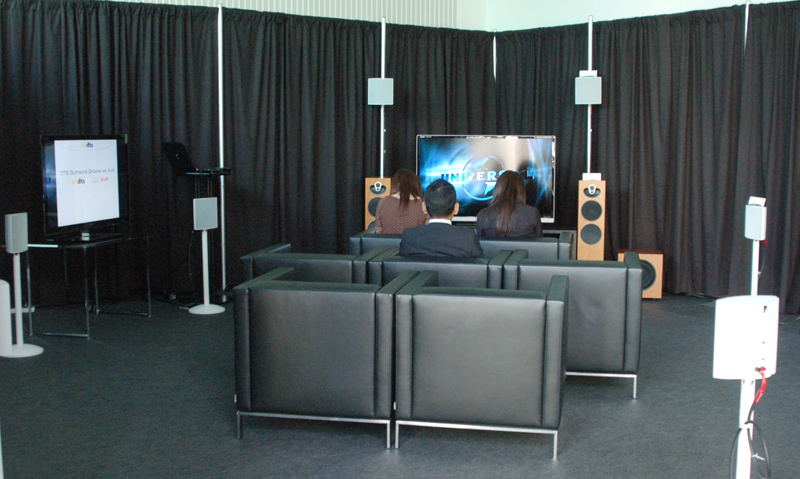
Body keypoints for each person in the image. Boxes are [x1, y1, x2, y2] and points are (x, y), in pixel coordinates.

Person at [399, 178, 483, 258]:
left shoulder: (409, 236)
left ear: (424, 207)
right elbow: (481, 266)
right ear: (456, 208)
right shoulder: (468, 238)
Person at [475, 170, 542, 238]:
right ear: (521, 190)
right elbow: (540, 242)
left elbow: (478, 243)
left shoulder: (482, 215)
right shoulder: (532, 213)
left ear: (498, 189)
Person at [374, 169, 428, 234]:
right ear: (416, 185)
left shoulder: (383, 202)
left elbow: (378, 231)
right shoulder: (424, 204)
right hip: (415, 240)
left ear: (395, 184)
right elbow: (429, 230)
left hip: (388, 241)